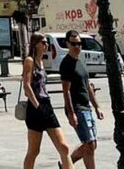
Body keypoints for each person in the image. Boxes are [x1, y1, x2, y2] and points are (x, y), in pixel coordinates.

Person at [21, 32, 73, 169]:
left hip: (47, 106)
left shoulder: (42, 62)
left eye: (47, 42)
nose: (46, 45)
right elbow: (26, 85)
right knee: (33, 151)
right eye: (43, 42)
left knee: (64, 148)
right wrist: (37, 105)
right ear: (35, 44)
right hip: (35, 107)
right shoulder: (30, 61)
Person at [60, 29, 104, 168]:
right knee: (89, 143)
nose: (77, 46)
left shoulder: (81, 61)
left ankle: (67, 164)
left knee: (91, 144)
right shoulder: (66, 64)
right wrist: (71, 113)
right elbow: (66, 91)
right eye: (74, 44)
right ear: (67, 44)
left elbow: (88, 86)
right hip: (77, 108)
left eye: (79, 43)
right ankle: (68, 164)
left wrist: (97, 107)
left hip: (87, 107)